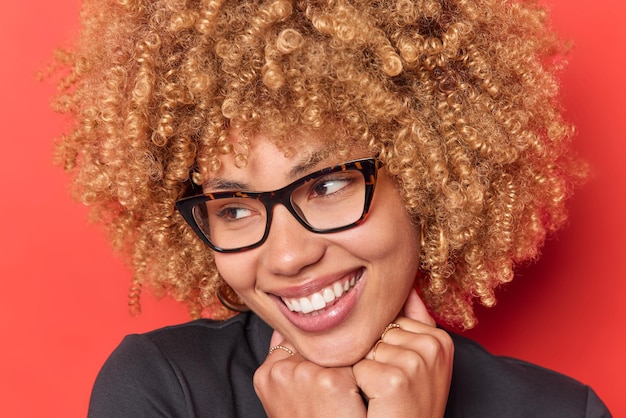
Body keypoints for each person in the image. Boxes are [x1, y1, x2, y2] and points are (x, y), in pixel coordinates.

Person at [52, 0, 611, 416]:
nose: (289, 256)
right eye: (235, 208)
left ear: (424, 179)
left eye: (325, 187)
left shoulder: (562, 411)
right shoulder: (162, 391)